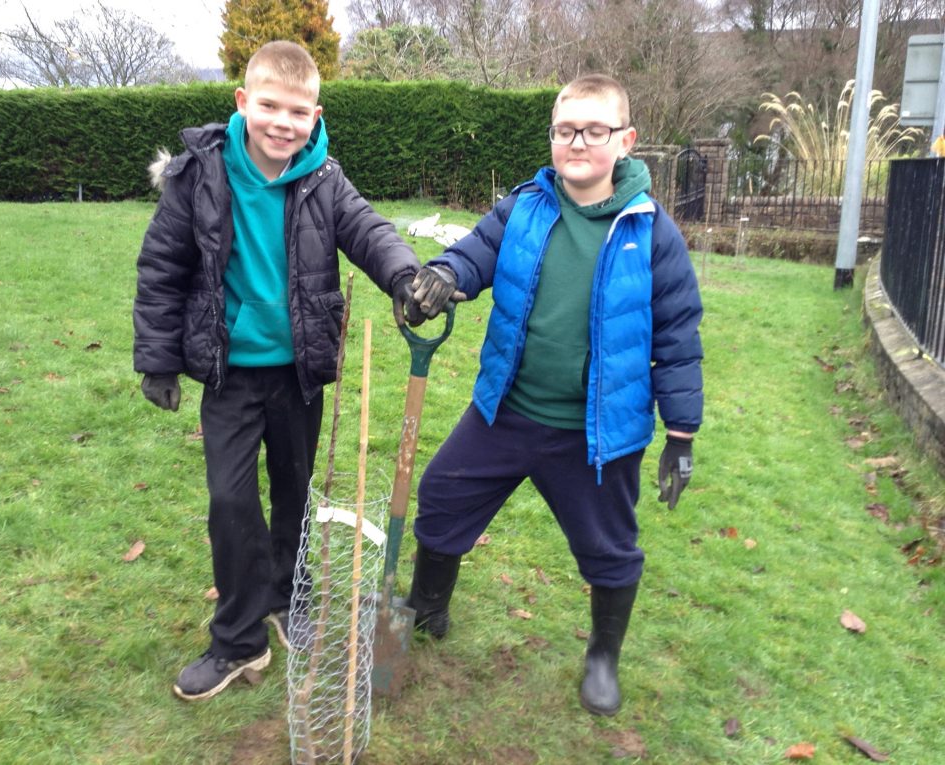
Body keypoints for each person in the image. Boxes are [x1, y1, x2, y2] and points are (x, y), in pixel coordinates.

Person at [403, 73, 703, 716]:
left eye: (595, 131)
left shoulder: (651, 233)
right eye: (566, 130)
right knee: (443, 492)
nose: (578, 143)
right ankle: (428, 607)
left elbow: (679, 337)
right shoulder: (525, 208)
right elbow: (475, 254)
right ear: (552, 137)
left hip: (595, 433)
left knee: (610, 550)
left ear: (625, 140)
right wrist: (442, 277)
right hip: (507, 410)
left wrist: (682, 436)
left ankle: (602, 656)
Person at [132, 40, 420, 701]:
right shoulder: (200, 175)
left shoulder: (323, 178)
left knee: (295, 495)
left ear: (316, 113)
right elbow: (161, 269)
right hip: (230, 375)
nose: (284, 123)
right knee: (231, 501)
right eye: (270, 107)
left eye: (298, 111)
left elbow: (370, 230)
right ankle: (238, 640)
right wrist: (157, 358)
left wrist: (406, 275)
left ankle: (293, 599)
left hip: (300, 373)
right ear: (243, 102)